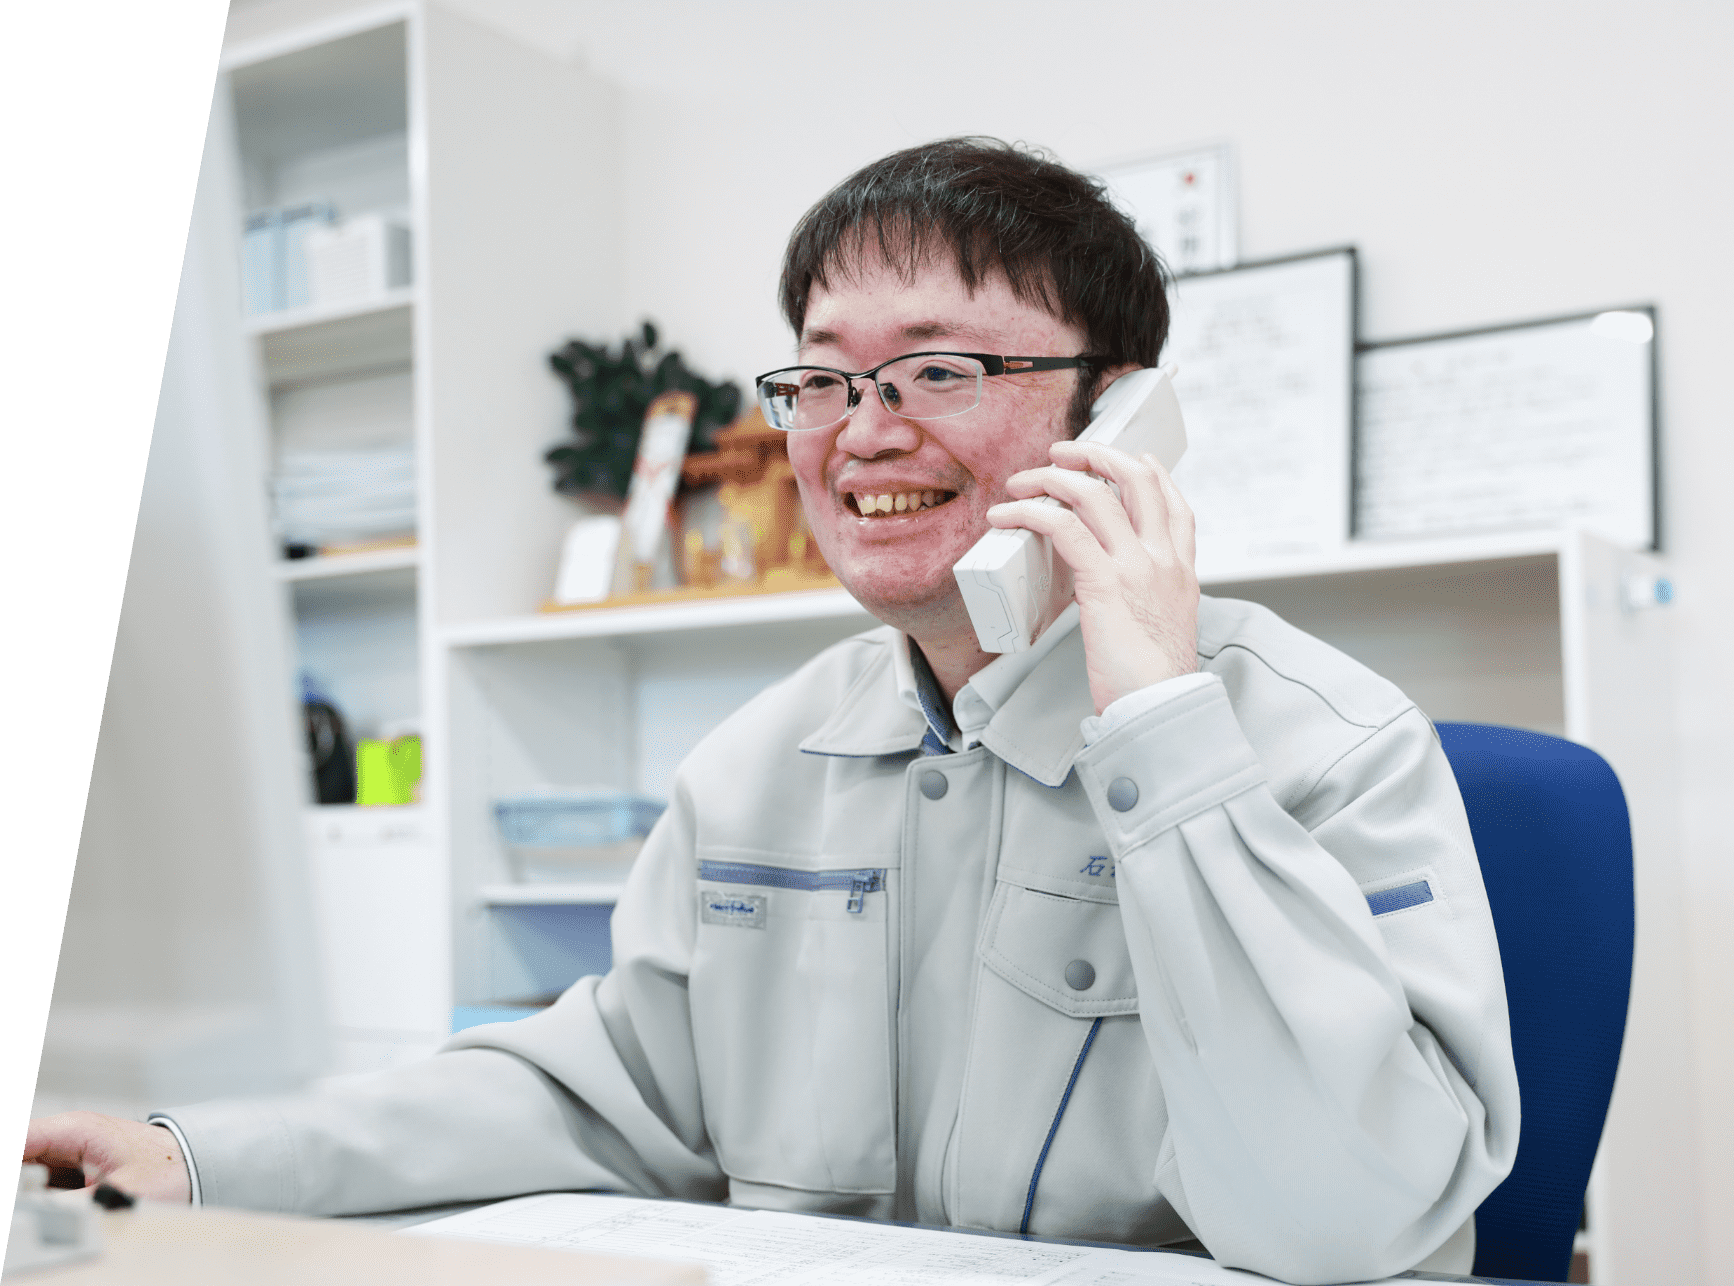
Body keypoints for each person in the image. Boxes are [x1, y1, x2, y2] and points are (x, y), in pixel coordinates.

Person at [26, 138, 1517, 1284]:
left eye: (938, 367)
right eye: (821, 377)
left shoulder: (1328, 741)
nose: (864, 429)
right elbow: (604, 1090)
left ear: (1114, 412)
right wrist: (193, 1153)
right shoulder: (757, 764)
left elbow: (1346, 1218)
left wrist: (1159, 729)